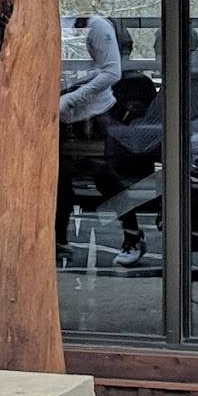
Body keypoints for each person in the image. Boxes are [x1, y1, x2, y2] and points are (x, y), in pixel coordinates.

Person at [56, 14, 122, 265]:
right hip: (62, 115)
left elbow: (112, 72)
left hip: (93, 115)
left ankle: (132, 234)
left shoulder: (97, 26)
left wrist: (70, 99)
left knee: (105, 177)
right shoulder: (59, 23)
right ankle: (59, 239)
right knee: (59, 178)